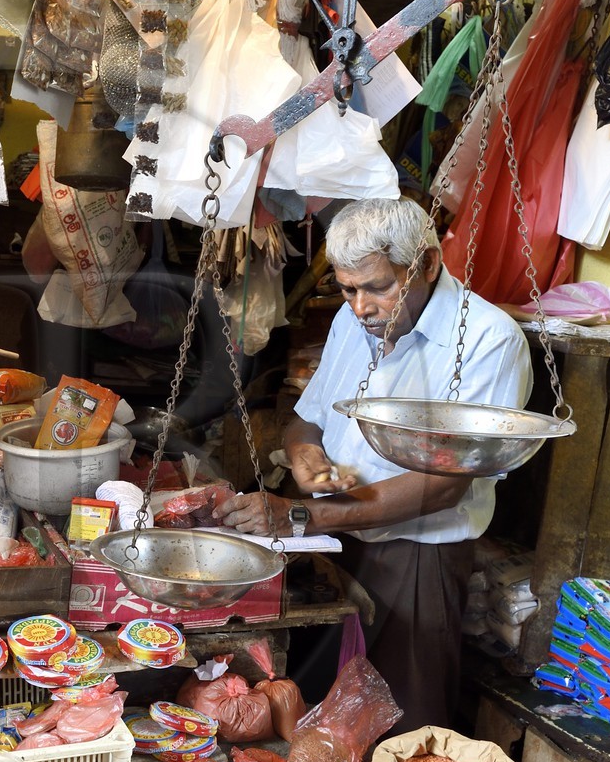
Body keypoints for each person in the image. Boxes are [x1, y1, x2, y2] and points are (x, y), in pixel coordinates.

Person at [216, 197, 532, 732]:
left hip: (415, 559)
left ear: (428, 264)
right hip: (335, 546)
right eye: (348, 288)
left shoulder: (488, 341)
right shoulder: (350, 320)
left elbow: (443, 487)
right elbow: (306, 421)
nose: (362, 306)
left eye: (381, 286)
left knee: (401, 726)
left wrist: (304, 517)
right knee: (319, 720)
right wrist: (306, 461)